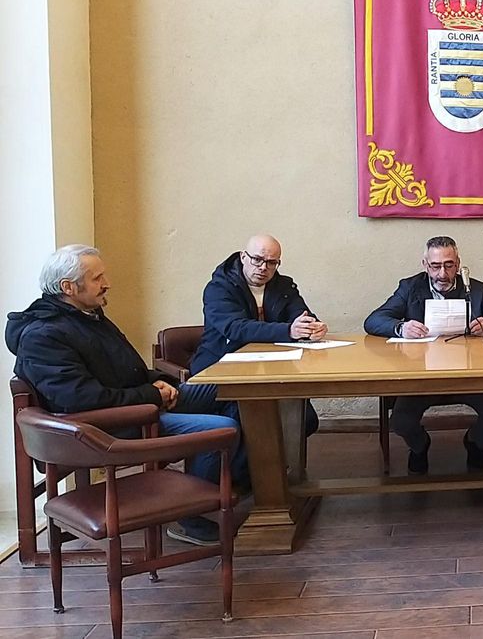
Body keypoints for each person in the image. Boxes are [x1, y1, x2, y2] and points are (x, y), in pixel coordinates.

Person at [5, 245, 245, 547]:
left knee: (233, 390)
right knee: (222, 428)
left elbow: (126, 368)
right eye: (97, 278)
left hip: (139, 403)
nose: (106, 283)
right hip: (110, 427)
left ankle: (232, 480)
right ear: (68, 287)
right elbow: (81, 399)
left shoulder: (88, 316)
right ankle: (190, 518)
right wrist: (151, 396)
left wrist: (159, 382)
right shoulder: (44, 335)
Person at [363, 236, 483, 473]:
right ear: (425, 265)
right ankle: (420, 446)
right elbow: (373, 320)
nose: (442, 274)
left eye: (449, 265)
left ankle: (475, 443)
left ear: (458, 263)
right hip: (421, 376)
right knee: (401, 420)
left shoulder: (474, 288)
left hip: (467, 375)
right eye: (435, 266)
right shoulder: (410, 287)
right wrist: (400, 328)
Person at [191, 234, 324, 436]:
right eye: (257, 260)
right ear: (244, 257)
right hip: (222, 367)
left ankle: (282, 464)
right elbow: (236, 328)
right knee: (250, 419)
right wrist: (289, 330)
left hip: (273, 367)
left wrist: (310, 326)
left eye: (271, 263)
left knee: (305, 420)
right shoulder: (219, 287)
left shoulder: (283, 285)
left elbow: (300, 313)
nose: (263, 268)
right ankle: (249, 467)